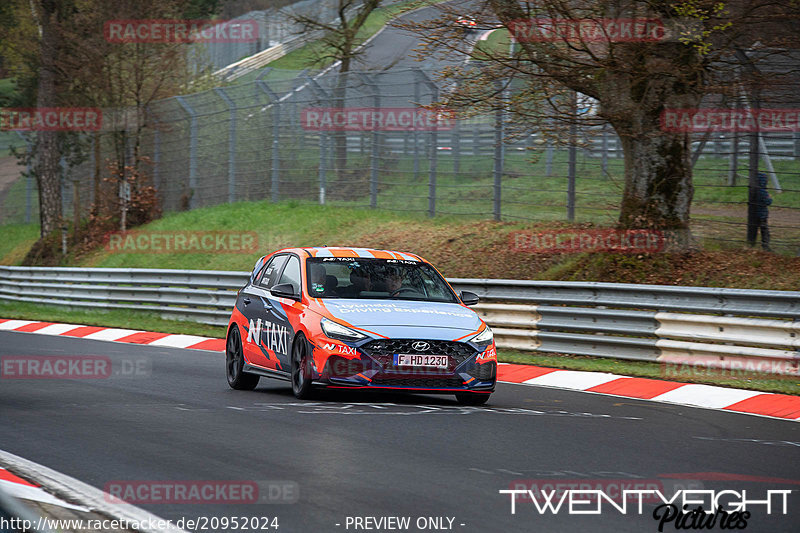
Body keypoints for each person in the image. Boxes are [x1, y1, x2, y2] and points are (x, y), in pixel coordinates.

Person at [755, 172, 772, 251]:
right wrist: (769, 197)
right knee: (765, 231)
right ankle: (766, 246)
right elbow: (768, 202)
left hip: (754, 214)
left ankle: (751, 243)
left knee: (754, 229)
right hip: (762, 215)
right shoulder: (763, 192)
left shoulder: (754, 190)